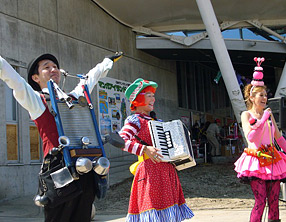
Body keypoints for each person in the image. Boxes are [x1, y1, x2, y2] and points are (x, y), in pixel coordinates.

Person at [0, 52, 123, 222]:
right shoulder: (37, 100)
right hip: (59, 172)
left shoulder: (72, 98)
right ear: (36, 78)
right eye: (47, 67)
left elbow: (90, 78)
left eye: (55, 67)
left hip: (85, 170)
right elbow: (15, 81)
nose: (53, 69)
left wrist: (106, 62)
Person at [119, 78, 194, 222]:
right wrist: (144, 149)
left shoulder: (156, 122)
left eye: (153, 95)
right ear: (138, 98)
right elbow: (121, 141)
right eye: (149, 95)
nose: (153, 98)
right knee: (153, 213)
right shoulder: (135, 120)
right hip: (150, 173)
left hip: (166, 173)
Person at [234, 57, 286, 222]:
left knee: (274, 202)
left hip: (273, 160)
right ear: (252, 97)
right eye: (260, 95)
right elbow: (251, 137)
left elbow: (279, 139)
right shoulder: (246, 115)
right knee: (260, 202)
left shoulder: (269, 116)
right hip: (256, 160)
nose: (264, 98)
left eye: (265, 95)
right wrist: (263, 118)